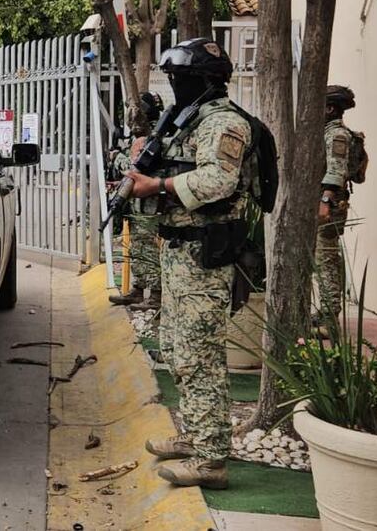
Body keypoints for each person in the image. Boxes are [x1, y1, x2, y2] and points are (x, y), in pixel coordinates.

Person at [125, 38, 259, 490]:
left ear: (203, 81)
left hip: (205, 256)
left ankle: (211, 459)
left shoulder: (223, 122)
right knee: (178, 351)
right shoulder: (189, 119)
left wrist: (158, 186)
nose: (175, 85)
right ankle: (196, 436)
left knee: (200, 356)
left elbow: (218, 180)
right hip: (178, 251)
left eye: (181, 78)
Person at [109, 92, 163, 313]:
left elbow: (135, 167)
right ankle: (139, 289)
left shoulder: (154, 135)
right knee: (137, 246)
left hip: (148, 204)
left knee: (148, 249)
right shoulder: (141, 134)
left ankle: (156, 294)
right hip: (137, 203)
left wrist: (116, 158)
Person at [316, 85, 357, 321]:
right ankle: (325, 310)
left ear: (330, 109)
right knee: (323, 256)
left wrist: (324, 201)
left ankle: (329, 315)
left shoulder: (337, 135)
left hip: (330, 204)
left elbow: (336, 170)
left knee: (326, 257)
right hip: (326, 202)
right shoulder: (327, 132)